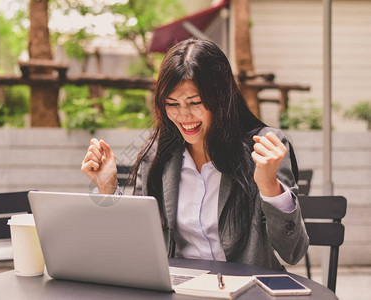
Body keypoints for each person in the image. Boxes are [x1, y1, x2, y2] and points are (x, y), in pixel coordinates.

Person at [81, 38, 308, 271]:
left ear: (221, 98)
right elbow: (138, 243)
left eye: (194, 102)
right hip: (179, 288)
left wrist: (270, 186)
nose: (183, 115)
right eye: (172, 104)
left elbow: (293, 252)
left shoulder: (262, 148)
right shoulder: (158, 155)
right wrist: (108, 189)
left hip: (246, 290)